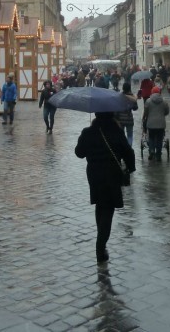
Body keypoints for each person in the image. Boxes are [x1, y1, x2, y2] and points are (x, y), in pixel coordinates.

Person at [74, 111, 136, 264]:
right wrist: (130, 168)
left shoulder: (89, 132)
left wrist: (84, 138)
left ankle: (101, 243)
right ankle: (100, 247)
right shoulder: (116, 131)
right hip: (111, 174)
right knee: (108, 208)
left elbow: (79, 153)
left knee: (100, 205)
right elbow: (129, 152)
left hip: (94, 175)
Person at [143, 86, 170, 161]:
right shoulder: (164, 101)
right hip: (161, 123)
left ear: (152, 92)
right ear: (159, 92)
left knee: (151, 137)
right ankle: (158, 154)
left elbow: (146, 112)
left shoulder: (148, 101)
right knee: (159, 138)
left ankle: (151, 150)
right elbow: (167, 111)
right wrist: (162, 114)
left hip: (151, 123)